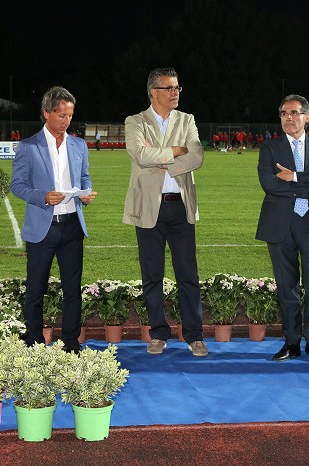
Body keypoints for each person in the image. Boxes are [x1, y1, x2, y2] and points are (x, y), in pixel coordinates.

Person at [123, 67, 208, 357]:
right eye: (169, 88)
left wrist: (161, 159)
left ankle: (195, 336)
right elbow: (139, 155)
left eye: (177, 88)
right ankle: (158, 334)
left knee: (188, 275)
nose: (175, 93)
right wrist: (175, 150)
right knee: (152, 275)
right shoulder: (135, 121)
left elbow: (197, 156)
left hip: (180, 207)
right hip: (149, 207)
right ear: (153, 92)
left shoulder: (187, 119)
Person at [10, 86, 96, 354]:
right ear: (46, 113)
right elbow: (17, 185)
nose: (66, 121)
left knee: (73, 290)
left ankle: (71, 342)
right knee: (35, 290)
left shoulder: (79, 145)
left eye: (70, 115)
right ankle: (34, 342)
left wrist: (86, 193)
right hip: (42, 229)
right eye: (61, 115)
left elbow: (84, 178)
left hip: (72, 227)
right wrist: (43, 197)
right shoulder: (28, 146)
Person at [256, 94, 309, 364]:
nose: (288, 118)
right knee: (286, 287)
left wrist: (294, 177)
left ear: (307, 117)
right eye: (283, 113)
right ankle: (291, 342)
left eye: (294, 113)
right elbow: (269, 184)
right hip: (280, 224)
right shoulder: (270, 148)